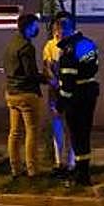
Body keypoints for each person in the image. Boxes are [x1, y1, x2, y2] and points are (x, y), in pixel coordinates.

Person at [56, 12, 100, 186]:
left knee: (77, 135)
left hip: (76, 97)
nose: (56, 34)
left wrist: (60, 104)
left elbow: (67, 83)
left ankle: (81, 176)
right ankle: (84, 171)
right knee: (85, 134)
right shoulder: (88, 43)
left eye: (58, 30)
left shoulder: (69, 50)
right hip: (90, 93)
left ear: (64, 29)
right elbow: (94, 67)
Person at [2, 12, 45, 178]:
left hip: (11, 93)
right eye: (35, 26)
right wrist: (48, 79)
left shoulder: (11, 45)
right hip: (26, 94)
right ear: (28, 27)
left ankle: (15, 168)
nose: (37, 29)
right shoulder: (27, 47)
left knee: (14, 133)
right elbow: (31, 74)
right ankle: (33, 170)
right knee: (31, 131)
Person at [42, 14, 75, 178]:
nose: (59, 32)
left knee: (71, 127)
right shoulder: (50, 45)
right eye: (57, 29)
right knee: (57, 127)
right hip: (55, 93)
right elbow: (47, 66)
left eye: (62, 29)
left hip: (73, 92)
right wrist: (53, 80)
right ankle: (59, 162)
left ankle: (71, 162)